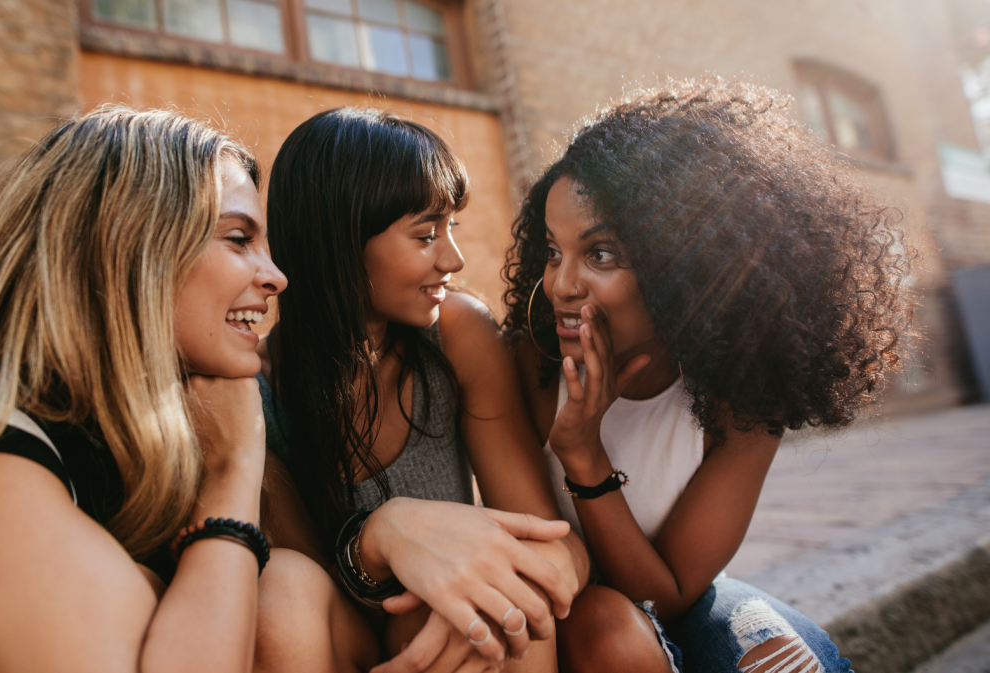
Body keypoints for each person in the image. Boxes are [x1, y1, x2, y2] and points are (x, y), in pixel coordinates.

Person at [0, 106, 336, 673]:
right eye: (238, 238)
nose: (276, 276)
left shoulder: (193, 412)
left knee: (287, 587)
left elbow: (351, 630)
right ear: (128, 248)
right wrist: (232, 470)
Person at [503, 80, 914, 673]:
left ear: (685, 266)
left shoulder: (741, 398)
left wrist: (585, 457)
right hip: (559, 619)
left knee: (781, 660)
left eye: (601, 255)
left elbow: (668, 597)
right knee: (603, 628)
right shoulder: (527, 365)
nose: (562, 284)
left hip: (681, 609)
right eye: (552, 250)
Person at [256, 107, 589, 673]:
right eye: (425, 234)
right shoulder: (264, 387)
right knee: (288, 587)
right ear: (337, 241)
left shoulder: (457, 334)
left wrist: (535, 581)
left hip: (466, 626)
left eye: (451, 229)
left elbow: (544, 533)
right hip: (348, 641)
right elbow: (311, 584)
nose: (453, 259)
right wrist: (384, 545)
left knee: (496, 601)